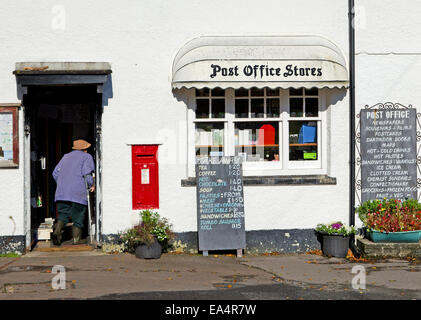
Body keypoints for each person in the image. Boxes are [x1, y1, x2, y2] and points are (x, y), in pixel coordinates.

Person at [51, 139, 95, 246]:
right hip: (78, 191)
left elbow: (55, 173)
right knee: (78, 215)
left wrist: (63, 184)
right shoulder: (87, 157)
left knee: (63, 214)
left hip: (62, 192)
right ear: (85, 149)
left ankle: (57, 233)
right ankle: (77, 239)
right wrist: (91, 185)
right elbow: (87, 174)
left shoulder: (65, 156)